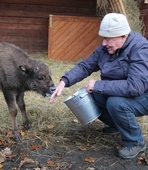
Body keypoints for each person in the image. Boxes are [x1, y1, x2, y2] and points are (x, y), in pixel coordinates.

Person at [50, 13, 148, 159]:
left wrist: (99, 85)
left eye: (108, 39)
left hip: (143, 95)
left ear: (123, 36)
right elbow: (86, 66)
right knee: (90, 96)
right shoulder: (106, 48)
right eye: (103, 38)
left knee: (116, 103)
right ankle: (117, 125)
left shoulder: (140, 48)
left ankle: (135, 142)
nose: (103, 43)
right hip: (123, 92)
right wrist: (65, 81)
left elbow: (135, 86)